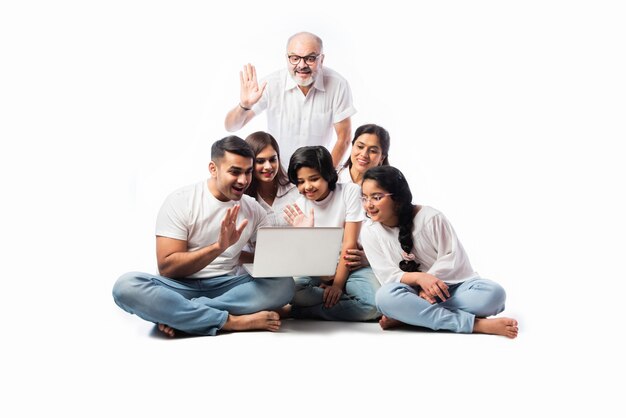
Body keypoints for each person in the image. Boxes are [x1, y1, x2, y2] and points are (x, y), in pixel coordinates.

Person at [112, 136, 295, 337]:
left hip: (227, 287)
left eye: (248, 172)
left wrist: (300, 231)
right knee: (126, 286)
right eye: (235, 172)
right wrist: (218, 247)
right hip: (179, 287)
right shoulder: (181, 201)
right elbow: (167, 268)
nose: (243, 180)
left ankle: (182, 314)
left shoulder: (253, 210)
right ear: (213, 168)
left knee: (284, 284)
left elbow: (271, 263)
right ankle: (231, 322)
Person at [359, 166, 518, 338]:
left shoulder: (430, 218)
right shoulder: (370, 231)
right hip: (409, 292)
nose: (369, 205)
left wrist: (429, 287)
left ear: (397, 197)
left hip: (452, 288)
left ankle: (412, 316)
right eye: (365, 198)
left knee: (495, 294)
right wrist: (420, 279)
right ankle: (475, 324)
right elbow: (388, 275)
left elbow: (452, 257)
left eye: (376, 197)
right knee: (384, 298)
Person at [224, 31, 356, 168]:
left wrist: (325, 176)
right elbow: (232, 126)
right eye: (294, 58)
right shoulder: (271, 84)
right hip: (278, 174)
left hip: (317, 174)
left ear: (321, 59)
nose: (301, 65)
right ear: (287, 58)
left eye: (310, 58)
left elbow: (344, 138)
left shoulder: (338, 84)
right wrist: (244, 106)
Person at [282, 146, 380, 321]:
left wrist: (336, 285)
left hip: (352, 265)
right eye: (301, 181)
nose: (307, 187)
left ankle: (297, 312)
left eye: (314, 179)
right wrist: (323, 275)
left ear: (327, 175)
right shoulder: (300, 205)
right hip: (320, 269)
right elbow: (303, 257)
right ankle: (347, 303)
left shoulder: (349, 192)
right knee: (290, 291)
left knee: (372, 306)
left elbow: (349, 244)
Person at [336, 123, 391, 272]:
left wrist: (369, 257)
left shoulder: (388, 190)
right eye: (360, 147)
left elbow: (395, 233)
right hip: (330, 258)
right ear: (352, 147)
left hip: (365, 264)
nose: (364, 155)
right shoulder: (332, 180)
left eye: (373, 151)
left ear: (382, 157)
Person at [244, 131, 299, 226]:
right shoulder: (244, 200)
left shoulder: (296, 189)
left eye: (272, 159)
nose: (268, 166)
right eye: (260, 161)